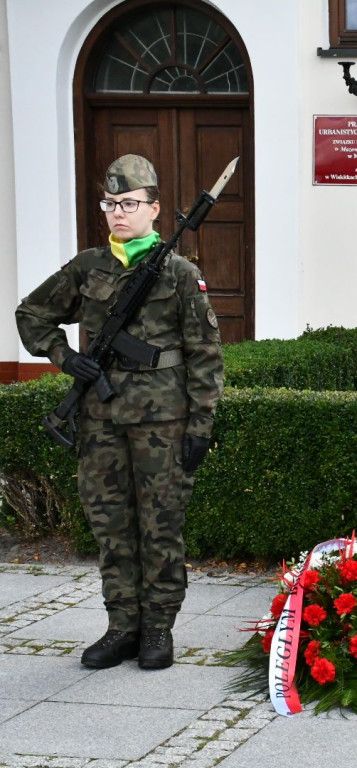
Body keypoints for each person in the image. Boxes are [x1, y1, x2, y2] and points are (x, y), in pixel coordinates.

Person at [15, 154, 224, 670]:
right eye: (111, 203)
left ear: (155, 209)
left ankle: (157, 629)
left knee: (160, 526)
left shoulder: (179, 273)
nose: (118, 212)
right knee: (111, 526)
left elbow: (205, 356)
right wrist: (69, 360)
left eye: (129, 203)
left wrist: (200, 426)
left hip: (163, 423)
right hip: (100, 420)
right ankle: (121, 626)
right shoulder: (89, 266)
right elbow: (31, 314)